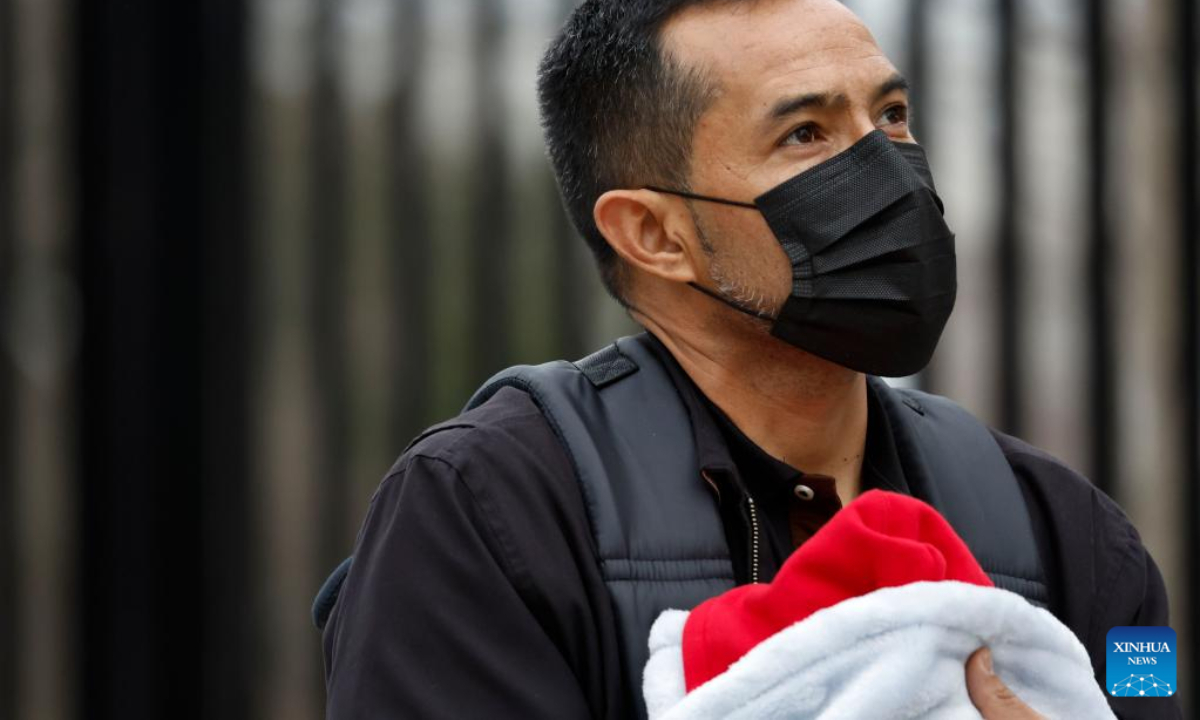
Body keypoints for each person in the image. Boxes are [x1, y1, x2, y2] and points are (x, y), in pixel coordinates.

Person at [322, 1, 1179, 719]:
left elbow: (1154, 688)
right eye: (806, 134)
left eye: (888, 115)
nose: (887, 171)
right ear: (656, 234)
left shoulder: (1076, 533)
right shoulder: (484, 515)